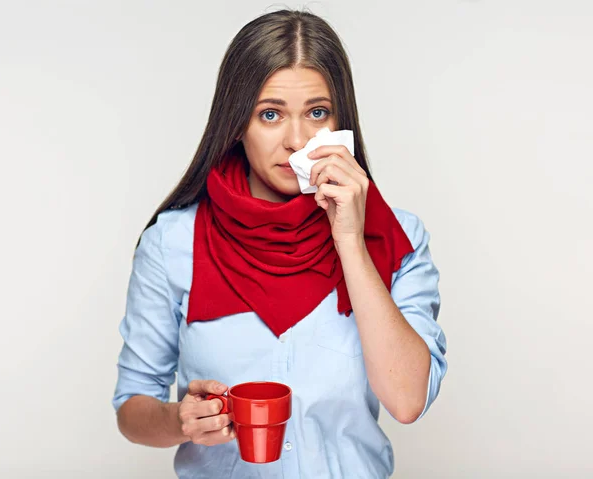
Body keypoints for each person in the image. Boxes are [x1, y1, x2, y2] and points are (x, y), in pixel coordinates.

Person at [112, 8, 448, 479]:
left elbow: (408, 400)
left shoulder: (397, 237)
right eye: (270, 114)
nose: (296, 140)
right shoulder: (173, 242)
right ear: (235, 124)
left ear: (341, 122)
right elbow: (132, 407)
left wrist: (350, 239)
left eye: (317, 112)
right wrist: (180, 419)